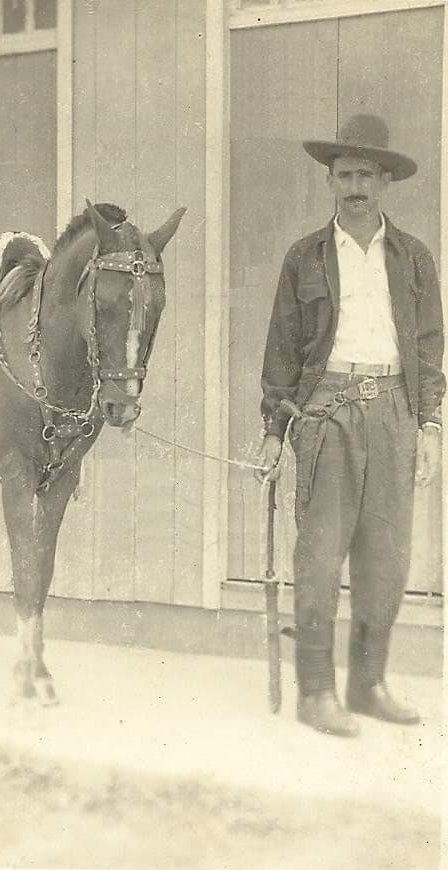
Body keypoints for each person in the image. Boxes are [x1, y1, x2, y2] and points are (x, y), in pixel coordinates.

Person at [256, 114, 444, 737]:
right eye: (344, 175)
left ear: (385, 181)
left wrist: (431, 427)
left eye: (366, 175)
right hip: (327, 412)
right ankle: (316, 692)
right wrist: (274, 431)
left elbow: (429, 346)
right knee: (319, 555)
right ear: (330, 181)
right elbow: (282, 349)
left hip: (395, 412)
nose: (355, 187)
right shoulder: (304, 256)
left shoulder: (413, 257)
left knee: (385, 558)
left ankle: (368, 685)